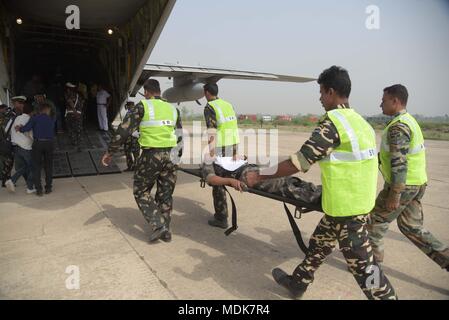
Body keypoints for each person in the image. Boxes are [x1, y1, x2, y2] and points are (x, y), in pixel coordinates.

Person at [245, 66, 397, 300]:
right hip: (348, 204)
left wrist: (258, 176)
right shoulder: (361, 122)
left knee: (369, 274)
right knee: (319, 245)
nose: (319, 98)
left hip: (349, 212)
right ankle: (298, 283)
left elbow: (299, 161)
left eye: (321, 92)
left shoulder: (333, 124)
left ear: (330, 92)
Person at [367, 84, 449, 271]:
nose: (381, 104)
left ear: (395, 101)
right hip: (417, 183)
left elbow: (399, 162)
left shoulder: (399, 127)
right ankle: (446, 257)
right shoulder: (409, 120)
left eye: (384, 100)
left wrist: (395, 193)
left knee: (375, 221)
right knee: (411, 227)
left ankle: (372, 266)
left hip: (402, 186)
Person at [102, 79, 183, 242]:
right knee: (165, 195)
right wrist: (178, 157)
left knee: (141, 190)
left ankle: (159, 225)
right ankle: (166, 232)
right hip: (172, 156)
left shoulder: (143, 106)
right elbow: (179, 135)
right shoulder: (173, 109)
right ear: (159, 91)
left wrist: (110, 151)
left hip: (151, 155)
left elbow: (124, 130)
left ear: (146, 92)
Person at [201, 154, 322, 207]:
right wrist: (229, 181)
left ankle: (319, 191)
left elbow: (244, 158)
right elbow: (211, 179)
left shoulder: (223, 156)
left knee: (289, 180)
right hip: (246, 176)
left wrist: (241, 157)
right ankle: (318, 197)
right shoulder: (208, 162)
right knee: (284, 186)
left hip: (255, 169)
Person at [203, 83, 240, 229]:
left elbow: (212, 131)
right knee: (227, 174)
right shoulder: (228, 104)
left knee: (217, 181)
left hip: (221, 147)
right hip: (233, 144)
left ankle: (221, 217)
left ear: (206, 93)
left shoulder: (210, 107)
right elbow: (233, 125)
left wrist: (211, 153)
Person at [17, 103, 56, 196]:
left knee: (37, 167)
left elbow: (26, 128)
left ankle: (39, 190)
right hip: (50, 143)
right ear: (46, 110)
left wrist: (19, 128)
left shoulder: (35, 118)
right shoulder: (52, 119)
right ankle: (48, 188)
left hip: (38, 143)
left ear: (40, 110)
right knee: (49, 166)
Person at [4, 103, 35, 193]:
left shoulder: (16, 118)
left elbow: (6, 130)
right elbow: (30, 134)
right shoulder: (29, 119)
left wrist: (15, 136)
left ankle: (16, 182)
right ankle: (27, 186)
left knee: (24, 167)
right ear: (32, 112)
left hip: (15, 146)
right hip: (25, 146)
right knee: (31, 166)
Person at [0, 96, 23, 187]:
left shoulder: (16, 114)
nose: (21, 105)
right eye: (19, 103)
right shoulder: (10, 115)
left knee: (9, 161)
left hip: (10, 141)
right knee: (7, 161)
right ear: (15, 104)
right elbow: (5, 129)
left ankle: (6, 180)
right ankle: (6, 181)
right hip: (6, 141)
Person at [64, 82, 84, 151]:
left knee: (70, 129)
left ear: (68, 89)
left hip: (70, 114)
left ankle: (74, 142)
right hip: (79, 114)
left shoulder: (68, 94)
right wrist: (78, 112)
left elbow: (70, 102)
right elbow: (82, 103)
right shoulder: (79, 95)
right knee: (78, 130)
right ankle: (79, 144)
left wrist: (74, 111)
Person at [123, 101, 141, 172]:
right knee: (129, 152)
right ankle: (131, 167)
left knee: (134, 152)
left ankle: (135, 167)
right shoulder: (129, 113)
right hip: (130, 136)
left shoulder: (135, 113)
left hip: (134, 135)